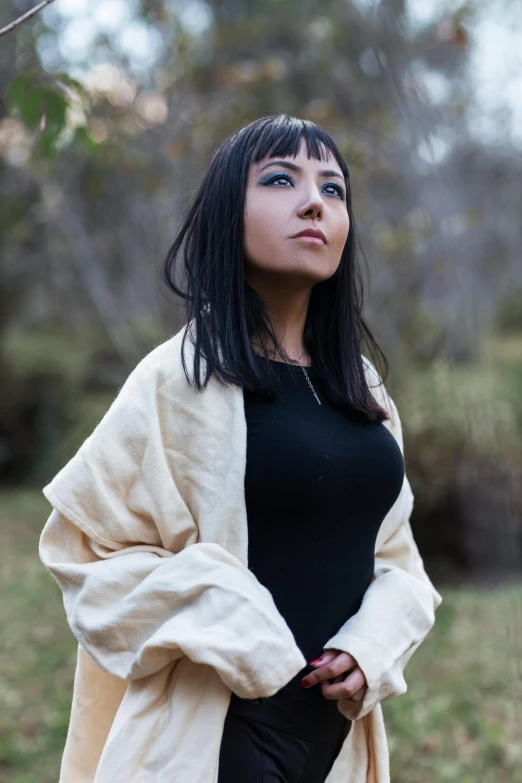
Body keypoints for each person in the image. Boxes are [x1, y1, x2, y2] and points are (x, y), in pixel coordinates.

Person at [39, 113, 442, 783]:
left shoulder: (362, 389)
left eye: (333, 189)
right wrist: (224, 610)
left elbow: (395, 561)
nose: (315, 201)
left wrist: (373, 645)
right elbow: (82, 553)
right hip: (213, 741)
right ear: (230, 213)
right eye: (281, 180)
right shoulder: (178, 378)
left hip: (332, 742)